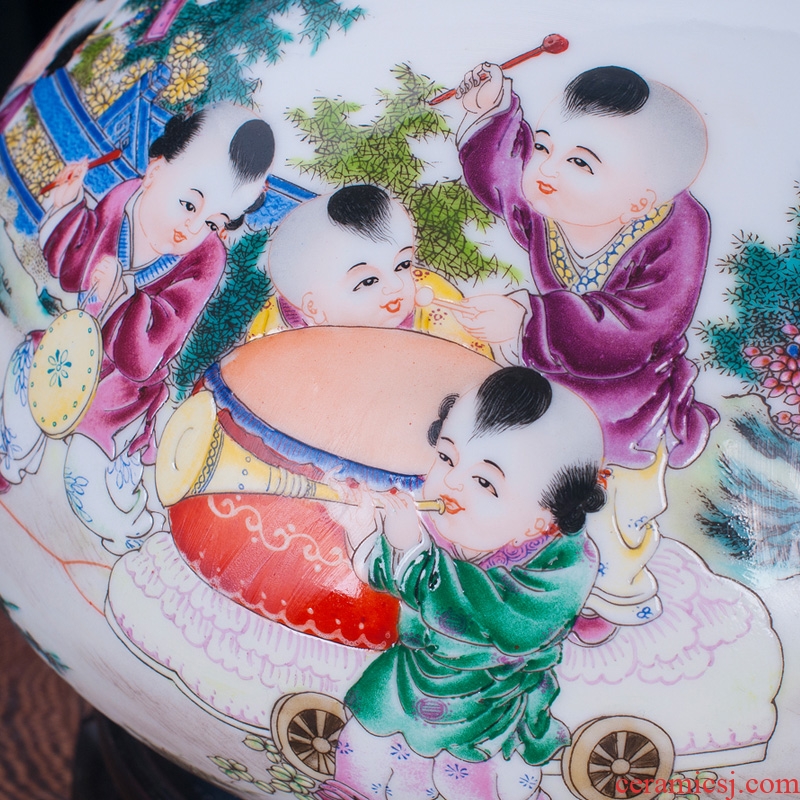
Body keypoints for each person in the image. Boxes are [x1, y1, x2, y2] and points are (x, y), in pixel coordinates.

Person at [450, 64, 719, 639]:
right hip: (550, 377)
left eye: (581, 163)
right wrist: (493, 113)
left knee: (613, 511)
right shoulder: (551, 199)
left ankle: (605, 595)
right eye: (546, 146)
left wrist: (529, 319)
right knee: (526, 477)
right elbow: (506, 181)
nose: (546, 170)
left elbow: (637, 330)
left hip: (626, 402)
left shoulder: (678, 232)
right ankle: (522, 572)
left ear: (641, 198)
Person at [0, 102, 275, 554]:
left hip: (124, 387)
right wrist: (67, 209)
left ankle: (127, 529)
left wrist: (122, 296)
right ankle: (10, 462)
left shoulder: (206, 259)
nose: (192, 228)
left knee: (86, 478)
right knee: (26, 374)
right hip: (72, 347)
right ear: (155, 171)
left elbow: (149, 352)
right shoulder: (124, 199)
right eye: (189, 204)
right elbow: (71, 269)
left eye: (213, 222)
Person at [321, 367, 605, 800]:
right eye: (447, 458)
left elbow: (505, 624)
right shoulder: (437, 525)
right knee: (365, 747)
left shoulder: (563, 568)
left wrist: (414, 552)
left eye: (485, 482)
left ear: (543, 519)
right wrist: (361, 527)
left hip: (489, 701)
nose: (451, 484)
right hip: (412, 675)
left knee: (468, 781)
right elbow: (389, 574)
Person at [247, 184, 492, 356]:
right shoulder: (276, 333)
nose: (396, 286)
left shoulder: (438, 305)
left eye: (403, 265)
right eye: (368, 281)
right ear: (313, 308)